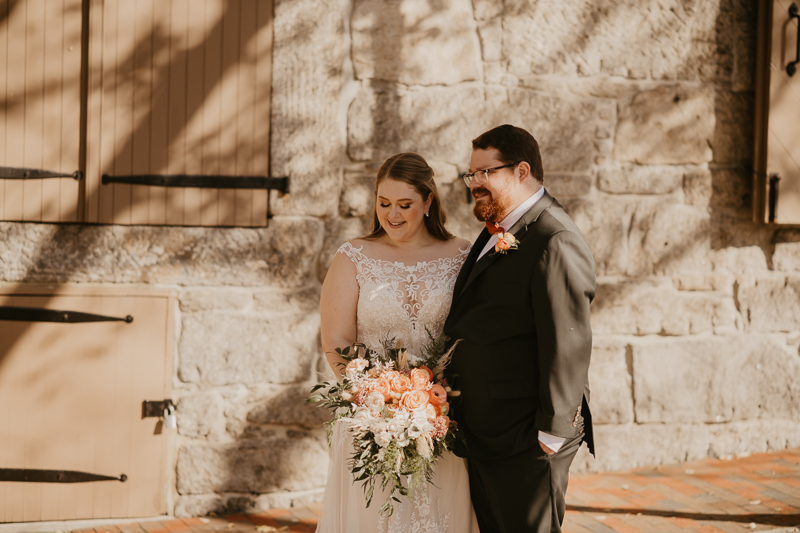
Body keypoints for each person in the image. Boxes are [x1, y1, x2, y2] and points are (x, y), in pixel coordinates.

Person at [444, 124, 596, 533]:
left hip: (527, 438)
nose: (474, 183)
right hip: (490, 429)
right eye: (470, 174)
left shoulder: (554, 238)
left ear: (521, 171)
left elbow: (568, 341)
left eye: (484, 173)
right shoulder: (499, 228)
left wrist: (551, 434)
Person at [316, 152, 478, 532]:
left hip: (443, 420)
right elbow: (336, 340)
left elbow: (474, 334)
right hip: (371, 418)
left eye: (404, 204)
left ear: (428, 202)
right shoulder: (352, 257)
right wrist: (374, 402)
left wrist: (432, 406)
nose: (392, 214)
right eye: (383, 202)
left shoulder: (461, 255)